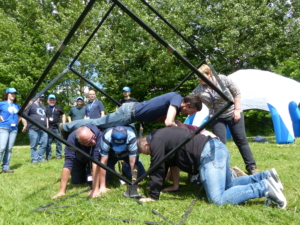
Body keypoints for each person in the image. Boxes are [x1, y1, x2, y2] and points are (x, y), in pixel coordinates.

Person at [137, 126, 286, 209]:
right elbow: (166, 164)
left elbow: (157, 167)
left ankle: (264, 187)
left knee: (217, 199)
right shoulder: (163, 135)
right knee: (228, 185)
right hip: (216, 148)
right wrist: (155, 185)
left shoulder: (156, 140)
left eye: (147, 152)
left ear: (145, 144)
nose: (150, 154)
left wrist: (153, 196)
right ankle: (266, 176)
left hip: (209, 154)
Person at [192, 64, 258, 175]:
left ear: (209, 74)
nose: (199, 79)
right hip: (216, 117)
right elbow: (190, 98)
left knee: (241, 140)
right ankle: (222, 169)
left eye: (201, 76)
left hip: (233, 113)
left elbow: (236, 92)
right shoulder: (199, 89)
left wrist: (237, 110)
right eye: (198, 77)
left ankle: (251, 167)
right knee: (219, 144)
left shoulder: (222, 79)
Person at [60, 92, 201, 135]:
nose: (189, 115)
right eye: (191, 112)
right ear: (187, 104)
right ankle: (65, 127)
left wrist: (178, 123)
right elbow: (168, 122)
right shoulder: (177, 98)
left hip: (131, 115)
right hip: (128, 113)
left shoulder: (173, 107)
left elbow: (162, 119)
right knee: (97, 122)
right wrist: (183, 128)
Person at [52, 125, 103, 199]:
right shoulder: (72, 140)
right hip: (80, 158)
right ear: (81, 142)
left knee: (91, 181)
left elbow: (96, 161)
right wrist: (61, 191)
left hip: (94, 159)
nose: (94, 141)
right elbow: (68, 163)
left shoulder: (98, 134)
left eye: (93, 138)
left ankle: (89, 172)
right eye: (89, 142)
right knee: (76, 181)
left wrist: (95, 190)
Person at [98, 126, 146, 193]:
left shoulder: (131, 137)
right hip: (111, 155)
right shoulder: (107, 136)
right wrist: (102, 186)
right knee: (103, 179)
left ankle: (125, 166)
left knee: (142, 176)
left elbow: (133, 162)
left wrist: (135, 184)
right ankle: (112, 169)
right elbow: (103, 162)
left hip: (127, 154)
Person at [22, 93, 48, 164]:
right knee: (34, 145)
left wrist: (47, 126)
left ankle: (40, 157)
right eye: (40, 97)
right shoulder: (31, 105)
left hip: (43, 128)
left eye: (42, 97)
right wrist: (25, 125)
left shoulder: (43, 107)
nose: (41, 98)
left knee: (44, 144)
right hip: (33, 128)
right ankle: (35, 159)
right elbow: (24, 115)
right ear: (36, 98)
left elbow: (46, 117)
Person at [0, 88, 21, 173]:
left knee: (9, 149)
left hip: (14, 129)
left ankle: (5, 167)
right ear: (7, 94)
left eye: (14, 93)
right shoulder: (2, 103)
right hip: (4, 127)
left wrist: (17, 122)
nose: (13, 95)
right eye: (11, 93)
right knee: (1, 148)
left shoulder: (17, 106)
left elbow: (21, 115)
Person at [45, 94, 66, 160]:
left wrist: (63, 124)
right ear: (48, 100)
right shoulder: (45, 107)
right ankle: (48, 156)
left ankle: (58, 156)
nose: (52, 101)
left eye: (53, 100)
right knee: (48, 143)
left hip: (57, 127)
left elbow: (63, 115)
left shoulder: (58, 107)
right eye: (50, 100)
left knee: (59, 142)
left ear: (55, 100)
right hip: (49, 128)